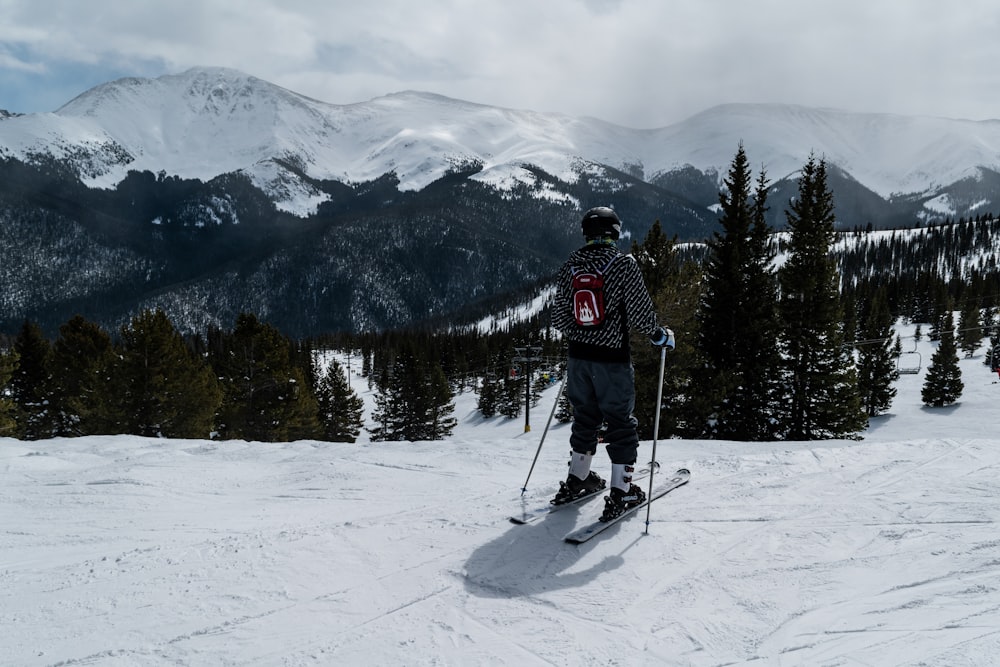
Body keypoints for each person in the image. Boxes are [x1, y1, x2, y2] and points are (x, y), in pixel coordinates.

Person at [551, 206, 674, 521]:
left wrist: (583, 335)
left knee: (585, 418)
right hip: (612, 360)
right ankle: (623, 491)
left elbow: (559, 316)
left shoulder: (571, 265)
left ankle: (578, 478)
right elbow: (640, 315)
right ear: (615, 232)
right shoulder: (622, 265)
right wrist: (659, 336)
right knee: (619, 422)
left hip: (578, 359)